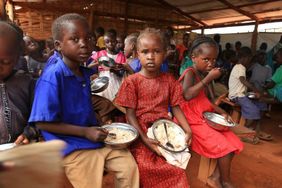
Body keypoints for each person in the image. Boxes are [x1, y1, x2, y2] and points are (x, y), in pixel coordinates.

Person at [28, 13, 139, 188]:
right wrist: (85, 132)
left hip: (92, 138)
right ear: (58, 45)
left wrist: (97, 123)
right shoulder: (53, 77)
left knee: (129, 168)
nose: (84, 44)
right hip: (69, 145)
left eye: (88, 38)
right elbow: (42, 124)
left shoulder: (83, 72)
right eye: (75, 39)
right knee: (88, 182)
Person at [115, 28, 192, 188]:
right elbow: (130, 115)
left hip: (164, 130)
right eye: (145, 52)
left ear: (165, 54)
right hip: (139, 132)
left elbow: (176, 107)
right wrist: (145, 139)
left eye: (156, 51)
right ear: (137, 54)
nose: (150, 57)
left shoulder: (170, 80)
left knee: (176, 168)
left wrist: (187, 129)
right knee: (144, 165)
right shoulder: (132, 82)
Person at [179, 36, 243, 188]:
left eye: (214, 60)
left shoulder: (205, 75)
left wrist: (222, 112)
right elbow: (187, 95)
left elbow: (209, 100)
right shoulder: (190, 73)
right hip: (190, 119)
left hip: (203, 116)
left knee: (234, 142)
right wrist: (208, 79)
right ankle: (226, 182)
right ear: (193, 58)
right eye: (206, 59)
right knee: (224, 146)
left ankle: (215, 177)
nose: (211, 64)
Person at [0, 21, 39, 145]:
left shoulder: (27, 83)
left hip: (20, 149)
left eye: (5, 62)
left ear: (17, 58)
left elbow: (38, 117)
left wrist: (30, 132)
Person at [228, 47, 271, 141]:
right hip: (237, 96)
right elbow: (243, 80)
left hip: (241, 94)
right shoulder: (240, 67)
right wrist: (256, 90)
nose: (249, 62)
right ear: (245, 58)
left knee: (261, 104)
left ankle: (256, 130)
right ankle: (241, 131)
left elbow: (244, 81)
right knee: (254, 110)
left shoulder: (240, 67)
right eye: (249, 60)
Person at [89, 29, 127, 101]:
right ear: (104, 43)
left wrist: (114, 70)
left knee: (114, 101)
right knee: (102, 100)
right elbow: (89, 66)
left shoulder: (121, 56)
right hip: (102, 82)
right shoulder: (100, 54)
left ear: (116, 42)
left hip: (116, 82)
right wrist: (99, 62)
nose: (110, 43)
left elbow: (122, 74)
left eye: (112, 41)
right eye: (107, 42)